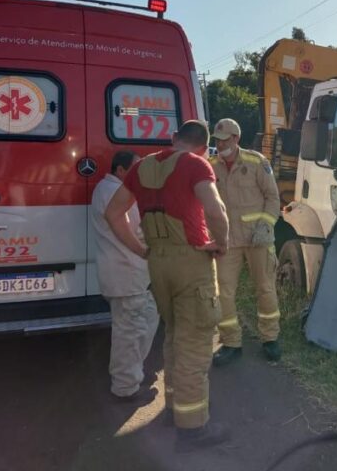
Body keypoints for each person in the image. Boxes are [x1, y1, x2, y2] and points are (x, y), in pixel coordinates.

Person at [104, 120, 230, 450]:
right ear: (203, 147)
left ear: (173, 139)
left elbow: (113, 213)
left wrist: (142, 250)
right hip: (191, 262)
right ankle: (192, 429)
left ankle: (175, 408)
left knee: (174, 335)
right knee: (195, 342)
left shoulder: (141, 167)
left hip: (158, 264)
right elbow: (216, 211)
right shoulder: (196, 164)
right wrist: (222, 242)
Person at [209, 118, 282, 366]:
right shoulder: (210, 166)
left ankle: (270, 338)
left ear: (236, 138)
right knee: (224, 292)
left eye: (225, 140)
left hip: (257, 238)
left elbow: (273, 197)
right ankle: (231, 343)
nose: (220, 145)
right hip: (227, 240)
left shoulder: (256, 162)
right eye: (217, 141)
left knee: (265, 288)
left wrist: (266, 224)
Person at [90, 151, 159, 401]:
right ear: (121, 170)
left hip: (125, 274)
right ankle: (126, 387)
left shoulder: (105, 188)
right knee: (130, 331)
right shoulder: (115, 192)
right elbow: (138, 229)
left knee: (146, 318)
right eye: (135, 169)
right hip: (127, 272)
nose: (139, 175)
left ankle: (133, 372)